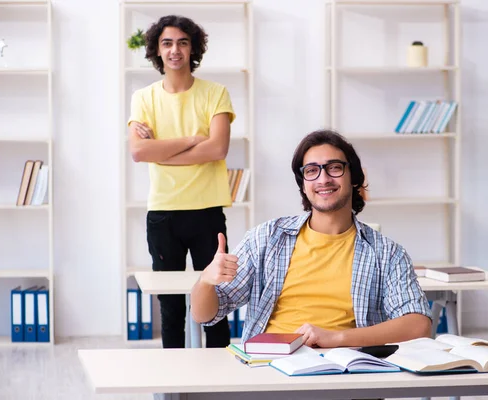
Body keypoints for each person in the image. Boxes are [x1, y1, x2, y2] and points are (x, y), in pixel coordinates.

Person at [191, 129, 432, 348]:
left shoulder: (387, 253)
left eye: (335, 167)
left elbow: (418, 325)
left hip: (347, 368)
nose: (323, 179)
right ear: (303, 185)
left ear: (354, 177)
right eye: (312, 171)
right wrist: (205, 281)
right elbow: (205, 315)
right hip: (271, 367)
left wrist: (336, 338)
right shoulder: (266, 237)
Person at [127, 15, 235, 349]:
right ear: (157, 51)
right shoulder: (143, 98)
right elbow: (139, 151)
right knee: (170, 306)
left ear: (193, 49)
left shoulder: (215, 93)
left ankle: (221, 381)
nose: (175, 50)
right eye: (167, 43)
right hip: (163, 214)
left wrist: (162, 150)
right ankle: (173, 384)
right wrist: (192, 139)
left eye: (183, 42)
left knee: (215, 300)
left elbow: (218, 147)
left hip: (207, 212)